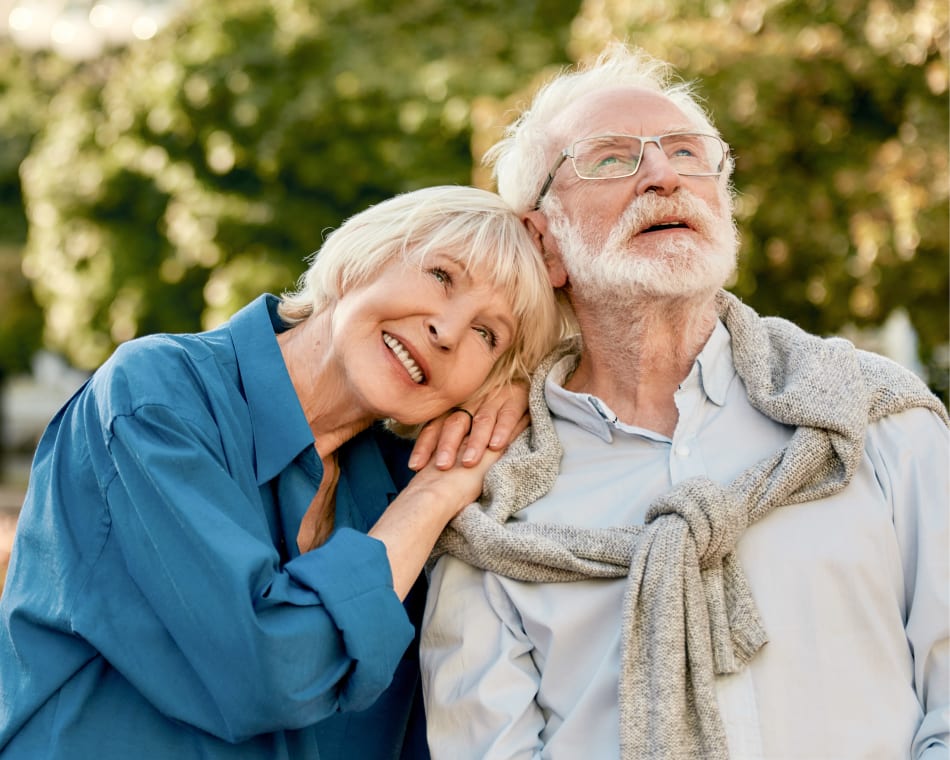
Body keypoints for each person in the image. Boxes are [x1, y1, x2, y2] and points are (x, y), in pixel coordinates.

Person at [420, 45, 950, 760]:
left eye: (688, 153)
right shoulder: (493, 500)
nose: (663, 176)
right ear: (544, 245)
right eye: (610, 159)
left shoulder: (875, 416)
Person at [0, 185, 565, 759]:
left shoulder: (393, 483)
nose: (446, 331)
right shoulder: (155, 398)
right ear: (362, 259)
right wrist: (437, 492)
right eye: (442, 275)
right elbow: (267, 668)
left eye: (487, 335)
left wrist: (522, 397)